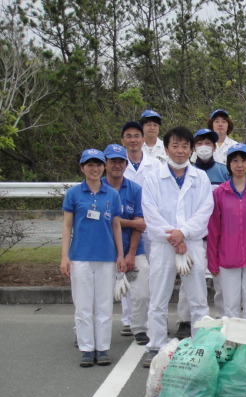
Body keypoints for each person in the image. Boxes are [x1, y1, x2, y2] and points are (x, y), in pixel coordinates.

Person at [141, 127, 214, 367]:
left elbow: (206, 210)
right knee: (159, 297)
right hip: (163, 245)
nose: (180, 151)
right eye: (175, 146)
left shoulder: (200, 177)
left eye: (185, 146)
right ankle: (156, 345)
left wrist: (184, 233)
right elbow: (150, 213)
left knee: (198, 297)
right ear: (166, 149)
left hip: (191, 243)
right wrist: (174, 236)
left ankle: (200, 344)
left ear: (191, 150)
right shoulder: (153, 178)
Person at [60, 149, 126, 367]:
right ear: (82, 168)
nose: (94, 169)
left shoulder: (112, 194)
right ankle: (87, 348)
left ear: (104, 167)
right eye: (90, 165)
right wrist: (64, 257)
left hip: (106, 257)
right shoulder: (74, 194)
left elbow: (116, 225)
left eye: (98, 164)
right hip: (80, 256)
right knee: (83, 305)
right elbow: (67, 226)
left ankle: (102, 348)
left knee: (104, 305)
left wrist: (121, 254)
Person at [207, 143, 246, 321]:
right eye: (235, 161)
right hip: (227, 257)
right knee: (231, 306)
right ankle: (232, 343)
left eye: (243, 160)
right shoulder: (219, 193)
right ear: (228, 164)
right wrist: (212, 260)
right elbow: (213, 229)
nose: (239, 165)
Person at [175, 128, 230, 338]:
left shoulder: (224, 171)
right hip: (192, 235)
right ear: (193, 147)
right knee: (188, 277)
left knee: (221, 279)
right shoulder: (185, 171)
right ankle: (185, 320)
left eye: (209, 142)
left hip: (218, 235)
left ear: (215, 147)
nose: (204, 146)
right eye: (199, 142)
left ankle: (222, 320)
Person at [103, 144, 150, 346]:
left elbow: (140, 225)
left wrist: (131, 254)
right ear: (105, 163)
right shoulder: (98, 188)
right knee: (97, 296)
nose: (117, 165)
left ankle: (139, 328)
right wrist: (130, 222)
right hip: (104, 251)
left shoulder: (135, 189)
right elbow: (104, 220)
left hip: (132, 251)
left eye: (121, 161)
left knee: (142, 292)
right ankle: (85, 332)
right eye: (112, 161)